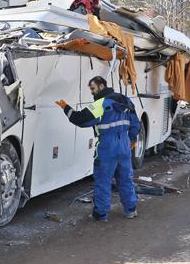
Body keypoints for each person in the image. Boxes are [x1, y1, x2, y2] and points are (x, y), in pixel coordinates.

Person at [56, 76, 141, 221]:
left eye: (93, 89)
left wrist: (66, 107)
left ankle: (101, 214)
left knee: (103, 181)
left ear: (101, 86)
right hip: (125, 146)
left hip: (107, 147)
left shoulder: (100, 104)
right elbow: (136, 123)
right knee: (126, 179)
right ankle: (131, 210)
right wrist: (132, 139)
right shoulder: (126, 100)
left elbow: (79, 119)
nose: (92, 93)